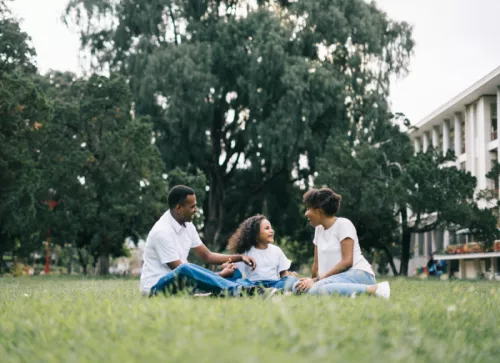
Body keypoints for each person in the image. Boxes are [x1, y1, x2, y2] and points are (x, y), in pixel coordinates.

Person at [140, 185, 258, 297]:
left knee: (234, 273)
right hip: (156, 288)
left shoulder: (188, 225)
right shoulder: (161, 231)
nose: (196, 210)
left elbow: (207, 256)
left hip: (183, 282)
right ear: (179, 208)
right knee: (185, 268)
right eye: (192, 207)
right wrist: (221, 274)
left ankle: (253, 288)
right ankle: (237, 290)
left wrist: (240, 257)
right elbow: (182, 272)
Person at [294, 188, 390, 299]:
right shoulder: (318, 230)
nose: (306, 213)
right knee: (297, 287)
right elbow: (316, 264)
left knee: (316, 289)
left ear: (318, 211)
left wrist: (316, 281)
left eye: (308, 208)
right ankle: (351, 293)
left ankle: (374, 289)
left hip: (359, 274)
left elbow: (347, 262)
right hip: (333, 279)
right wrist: (311, 282)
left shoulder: (343, 224)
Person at [225, 215, 298, 291]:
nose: (271, 230)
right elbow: (236, 273)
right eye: (267, 228)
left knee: (291, 279)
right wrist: (229, 266)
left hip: (274, 283)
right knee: (240, 282)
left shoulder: (276, 250)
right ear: (256, 234)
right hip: (253, 285)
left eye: (271, 228)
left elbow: (283, 274)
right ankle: (265, 291)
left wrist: (289, 278)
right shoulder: (246, 253)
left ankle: (272, 291)